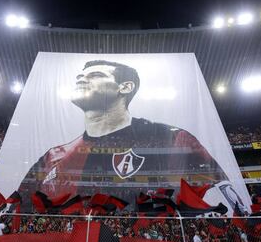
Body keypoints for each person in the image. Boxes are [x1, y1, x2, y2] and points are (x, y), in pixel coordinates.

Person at [18, 60, 238, 209]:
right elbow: (20, 208)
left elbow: (227, 204)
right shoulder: (53, 155)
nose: (80, 80)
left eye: (94, 75)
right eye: (79, 76)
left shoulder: (172, 138)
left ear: (124, 87)